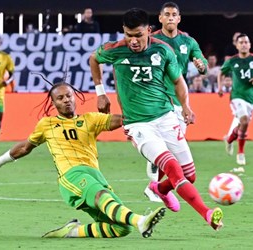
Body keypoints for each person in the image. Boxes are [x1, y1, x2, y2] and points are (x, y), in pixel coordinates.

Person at [89, 7, 223, 231]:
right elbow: (94, 59)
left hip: (166, 116)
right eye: (128, 35)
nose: (133, 41)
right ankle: (207, 213)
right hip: (138, 125)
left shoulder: (163, 50)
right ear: (123, 32)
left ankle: (159, 189)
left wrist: (186, 107)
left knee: (189, 175)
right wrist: (100, 92)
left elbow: (179, 81)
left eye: (138, 35)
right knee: (173, 168)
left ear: (148, 31)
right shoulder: (114, 50)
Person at [0, 81, 166, 239]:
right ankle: (141, 220)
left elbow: (124, 119)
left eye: (68, 95)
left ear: (74, 97)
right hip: (71, 175)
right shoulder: (47, 124)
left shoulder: (91, 119)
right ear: (53, 103)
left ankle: (73, 231)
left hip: (95, 175)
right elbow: (24, 147)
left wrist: (148, 111)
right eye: (60, 98)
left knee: (121, 228)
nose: (66, 100)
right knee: (101, 196)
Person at [144, 1, 208, 202]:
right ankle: (154, 185)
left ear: (179, 19)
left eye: (174, 14)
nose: (171, 17)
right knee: (165, 148)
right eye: (167, 14)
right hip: (158, 100)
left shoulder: (188, 42)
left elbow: (202, 62)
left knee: (174, 152)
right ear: (160, 18)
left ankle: (155, 186)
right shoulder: (151, 40)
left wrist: (201, 65)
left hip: (180, 103)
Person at [218, 33, 253, 170]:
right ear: (236, 45)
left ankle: (230, 139)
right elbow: (221, 72)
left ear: (250, 44)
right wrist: (220, 87)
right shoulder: (232, 60)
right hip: (236, 96)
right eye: (241, 42)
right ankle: (240, 152)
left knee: (244, 124)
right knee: (244, 120)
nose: (243, 44)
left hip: (250, 97)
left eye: (246, 42)